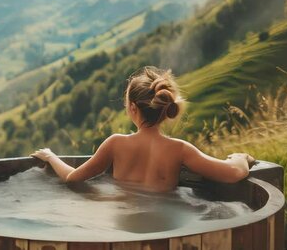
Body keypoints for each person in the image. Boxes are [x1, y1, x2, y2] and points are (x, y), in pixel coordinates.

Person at [30, 66, 255, 192]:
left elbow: (72, 178)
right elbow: (234, 173)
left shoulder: (115, 143)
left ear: (133, 108)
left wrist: (50, 156)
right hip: (164, 229)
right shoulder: (179, 150)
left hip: (122, 228)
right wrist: (241, 157)